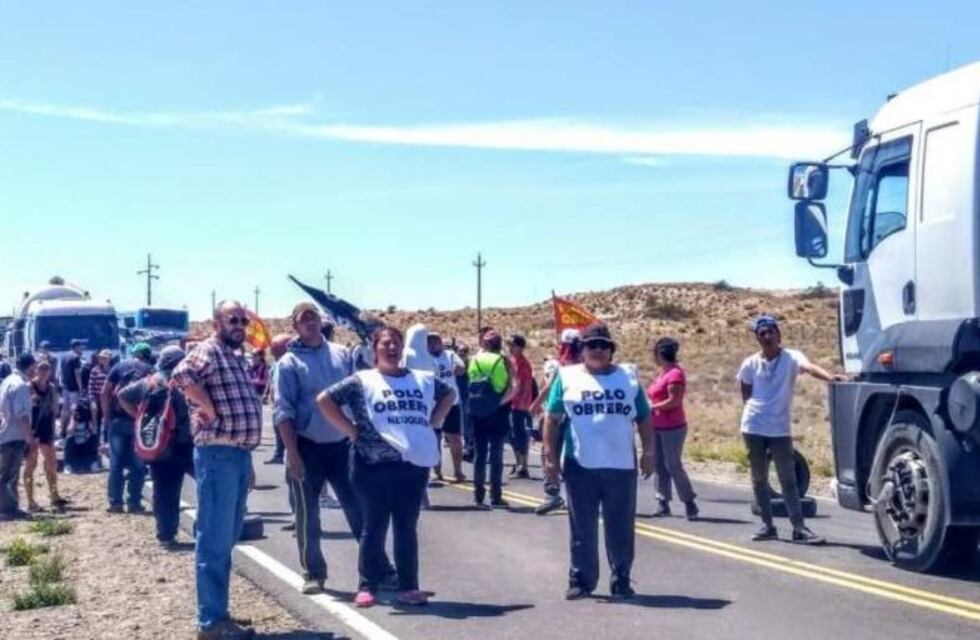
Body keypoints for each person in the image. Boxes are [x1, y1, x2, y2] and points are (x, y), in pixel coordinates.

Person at [317, 325, 455, 608]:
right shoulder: (362, 380)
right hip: (370, 465)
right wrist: (351, 431)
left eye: (395, 343)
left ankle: (409, 585)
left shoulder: (422, 380)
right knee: (374, 526)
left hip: (411, 466)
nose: (391, 348)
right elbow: (324, 400)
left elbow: (449, 395)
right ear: (374, 348)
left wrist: (434, 422)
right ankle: (368, 585)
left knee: (406, 527)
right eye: (384, 344)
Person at [275, 302, 391, 595]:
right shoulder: (288, 363)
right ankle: (313, 572)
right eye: (304, 319)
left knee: (360, 510)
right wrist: (292, 453)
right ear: (295, 326)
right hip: (306, 446)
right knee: (307, 515)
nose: (311, 322)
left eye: (314, 317)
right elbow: (283, 411)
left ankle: (379, 568)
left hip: (343, 446)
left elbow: (360, 393)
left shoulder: (342, 355)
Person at [542, 323, 654, 600]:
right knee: (582, 526)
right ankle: (581, 579)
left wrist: (649, 452)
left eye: (604, 345)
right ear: (582, 350)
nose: (599, 350)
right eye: (592, 345)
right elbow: (552, 419)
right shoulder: (567, 377)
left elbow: (643, 416)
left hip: (621, 466)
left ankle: (622, 578)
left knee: (621, 526)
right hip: (581, 465)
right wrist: (550, 456)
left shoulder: (627, 378)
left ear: (611, 351)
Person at [173, 300, 263, 640]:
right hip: (217, 454)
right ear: (216, 323)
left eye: (242, 320)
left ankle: (219, 611)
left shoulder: (234, 357)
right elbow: (181, 375)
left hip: (236, 455)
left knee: (226, 536)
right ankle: (211, 622)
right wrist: (206, 405)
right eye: (232, 319)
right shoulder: (209, 350)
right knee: (213, 537)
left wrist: (248, 459)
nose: (239, 325)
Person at [737, 315, 839, 545]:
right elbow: (744, 387)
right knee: (759, 478)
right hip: (753, 425)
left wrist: (830, 378)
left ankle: (799, 528)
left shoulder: (792, 357)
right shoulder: (750, 362)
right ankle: (767, 526)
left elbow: (809, 368)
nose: (767, 336)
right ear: (758, 339)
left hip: (779, 428)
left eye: (770, 331)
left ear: (778, 334)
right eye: (762, 334)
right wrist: (754, 408)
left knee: (788, 478)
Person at [117, 346, 194, 549]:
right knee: (207, 484)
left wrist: (139, 418)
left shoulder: (149, 382)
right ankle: (207, 528)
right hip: (183, 442)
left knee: (163, 490)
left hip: (157, 443)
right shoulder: (182, 382)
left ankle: (165, 534)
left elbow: (122, 395)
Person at [530, 328, 583, 515]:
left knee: (549, 454)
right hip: (575, 417)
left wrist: (535, 405)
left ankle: (553, 494)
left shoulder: (560, 366)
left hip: (558, 416)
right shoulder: (587, 364)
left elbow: (549, 387)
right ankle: (568, 495)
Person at [646, 337, 699, 519]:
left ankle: (689, 501)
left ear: (660, 354)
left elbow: (674, 401)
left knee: (673, 464)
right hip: (657, 425)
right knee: (659, 464)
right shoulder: (661, 373)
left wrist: (652, 407)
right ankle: (663, 502)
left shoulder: (675, 375)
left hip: (673, 427)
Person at [466, 329, 517, 509]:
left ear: (485, 344)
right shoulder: (504, 361)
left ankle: (478, 495)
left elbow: (471, 383)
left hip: (478, 410)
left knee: (480, 454)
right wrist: (499, 403)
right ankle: (496, 496)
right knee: (496, 454)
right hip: (499, 411)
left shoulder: (474, 360)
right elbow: (514, 387)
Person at [101, 342, 154, 514]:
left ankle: (115, 502)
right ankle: (134, 503)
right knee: (137, 464)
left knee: (115, 463)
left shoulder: (119, 366)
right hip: (138, 421)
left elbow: (104, 392)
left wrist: (107, 417)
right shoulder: (149, 370)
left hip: (117, 420)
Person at [24, 360, 65, 511]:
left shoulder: (52, 388)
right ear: (36, 370)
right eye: (41, 368)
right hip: (33, 428)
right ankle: (30, 501)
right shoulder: (29, 387)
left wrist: (54, 431)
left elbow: (55, 411)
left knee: (51, 463)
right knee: (31, 463)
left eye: (46, 369)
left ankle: (54, 495)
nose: (43, 371)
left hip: (47, 427)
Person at [0, 354, 37, 521]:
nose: (34, 370)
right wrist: (29, 437)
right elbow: (21, 414)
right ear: (28, 366)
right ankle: (7, 510)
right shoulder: (21, 385)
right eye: (33, 367)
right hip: (14, 435)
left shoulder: (7, 381)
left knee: (9, 474)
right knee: (8, 474)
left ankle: (11, 507)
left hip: (6, 432)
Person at [428, 332, 466, 482]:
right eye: (429, 342)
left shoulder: (449, 355)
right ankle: (437, 471)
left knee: (455, 438)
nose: (433, 344)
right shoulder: (424, 358)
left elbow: (461, 367)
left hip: (452, 403)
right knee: (434, 438)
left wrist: (455, 368)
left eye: (435, 341)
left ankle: (458, 470)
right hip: (433, 404)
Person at [507, 334, 534, 479]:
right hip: (511, 403)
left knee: (519, 435)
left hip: (519, 405)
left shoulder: (523, 364)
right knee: (512, 435)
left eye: (513, 345)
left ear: (520, 347)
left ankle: (523, 466)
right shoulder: (512, 361)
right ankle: (518, 464)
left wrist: (522, 404)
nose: (510, 348)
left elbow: (524, 386)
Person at [264, 333, 293, 465]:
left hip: (286, 403)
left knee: (286, 429)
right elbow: (271, 381)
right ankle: (279, 453)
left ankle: (289, 453)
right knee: (278, 429)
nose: (272, 350)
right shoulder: (276, 364)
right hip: (275, 403)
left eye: (276, 347)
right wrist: (267, 393)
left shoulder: (289, 363)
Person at [64, 399, 101, 474]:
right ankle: (68, 465)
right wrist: (73, 416)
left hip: (86, 449)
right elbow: (69, 430)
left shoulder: (90, 421)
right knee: (69, 439)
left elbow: (94, 430)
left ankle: (93, 463)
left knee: (94, 438)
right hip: (76, 449)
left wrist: (93, 414)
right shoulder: (74, 418)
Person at [59, 339, 86, 433]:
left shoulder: (63, 357)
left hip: (65, 386)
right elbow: (77, 374)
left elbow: (61, 372)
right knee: (74, 408)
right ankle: (71, 429)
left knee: (65, 409)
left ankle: (62, 429)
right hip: (74, 387)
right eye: (80, 347)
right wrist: (81, 388)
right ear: (76, 347)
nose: (81, 349)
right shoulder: (75, 358)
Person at [87, 349, 112, 427]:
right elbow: (91, 386)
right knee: (95, 415)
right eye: (101, 358)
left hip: (109, 398)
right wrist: (92, 401)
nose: (102, 360)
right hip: (97, 398)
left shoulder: (113, 370)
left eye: (105, 358)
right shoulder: (95, 370)